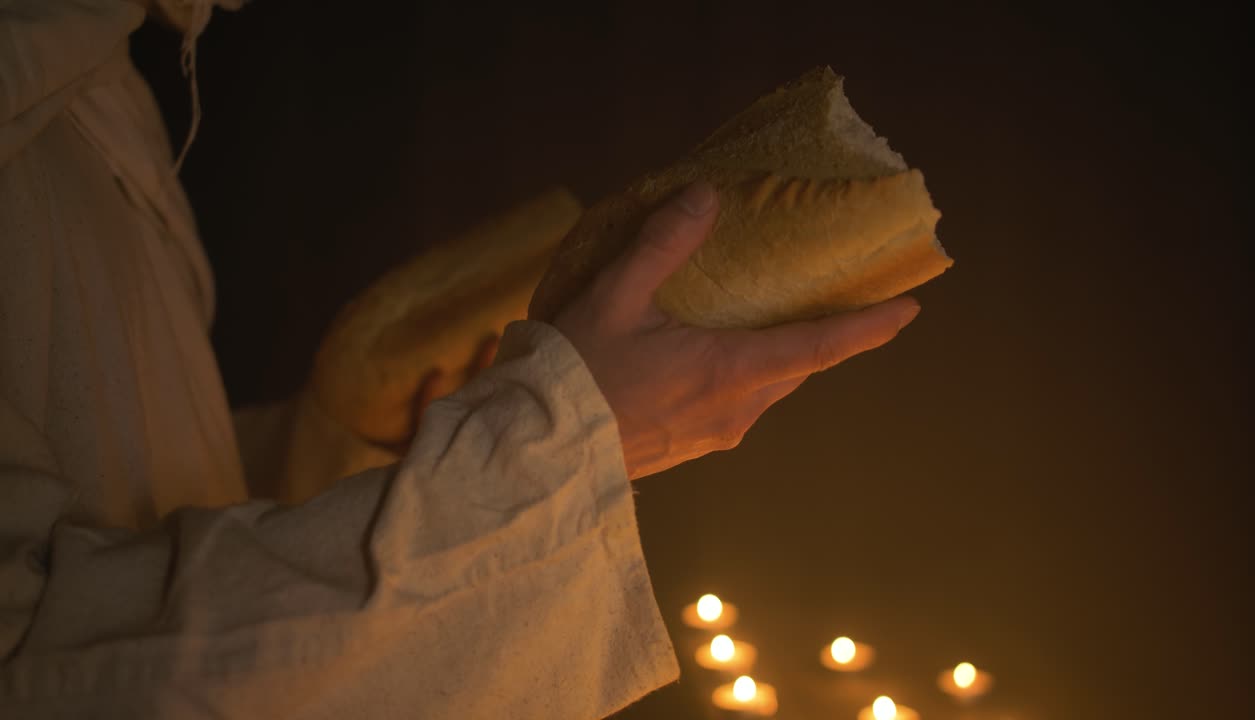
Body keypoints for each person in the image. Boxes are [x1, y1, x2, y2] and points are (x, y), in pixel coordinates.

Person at [0, 1, 922, 717]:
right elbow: (52, 678)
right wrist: (546, 448)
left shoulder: (96, 76)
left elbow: (129, 487)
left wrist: (345, 445)